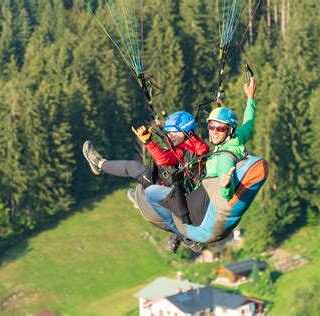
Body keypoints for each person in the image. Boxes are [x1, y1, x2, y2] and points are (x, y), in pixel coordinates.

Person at [144, 77, 258, 245]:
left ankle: (180, 234)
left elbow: (226, 196)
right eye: (211, 126)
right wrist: (250, 98)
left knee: (150, 193)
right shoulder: (236, 140)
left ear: (229, 130)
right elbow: (249, 124)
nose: (213, 132)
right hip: (199, 195)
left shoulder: (224, 158)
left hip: (199, 205)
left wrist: (227, 184)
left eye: (219, 128)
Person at [82, 111, 210, 251]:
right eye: (169, 132)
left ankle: (99, 164)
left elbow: (164, 159)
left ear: (188, 132)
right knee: (142, 171)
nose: (170, 135)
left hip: (170, 186)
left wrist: (148, 142)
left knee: (132, 167)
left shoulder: (185, 150)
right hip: (177, 182)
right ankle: (175, 235)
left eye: (174, 132)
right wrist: (161, 127)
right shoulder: (198, 145)